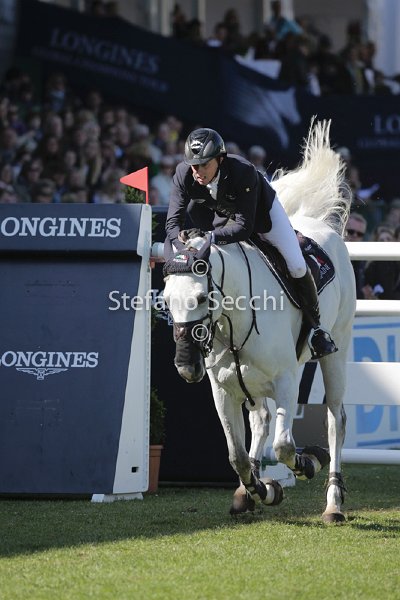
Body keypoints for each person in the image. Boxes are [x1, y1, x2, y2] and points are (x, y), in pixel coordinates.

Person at [165, 127, 337, 359]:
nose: (198, 171)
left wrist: (210, 237)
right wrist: (183, 250)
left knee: (296, 265)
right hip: (219, 215)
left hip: (262, 214)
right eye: (194, 165)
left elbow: (244, 228)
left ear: (220, 159)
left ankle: (316, 329)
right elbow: (172, 224)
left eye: (204, 164)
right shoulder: (183, 173)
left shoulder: (243, 171)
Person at [344, 212, 368, 299]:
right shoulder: (334, 253)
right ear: (343, 230)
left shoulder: (366, 259)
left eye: (359, 234)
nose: (355, 235)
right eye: (351, 232)